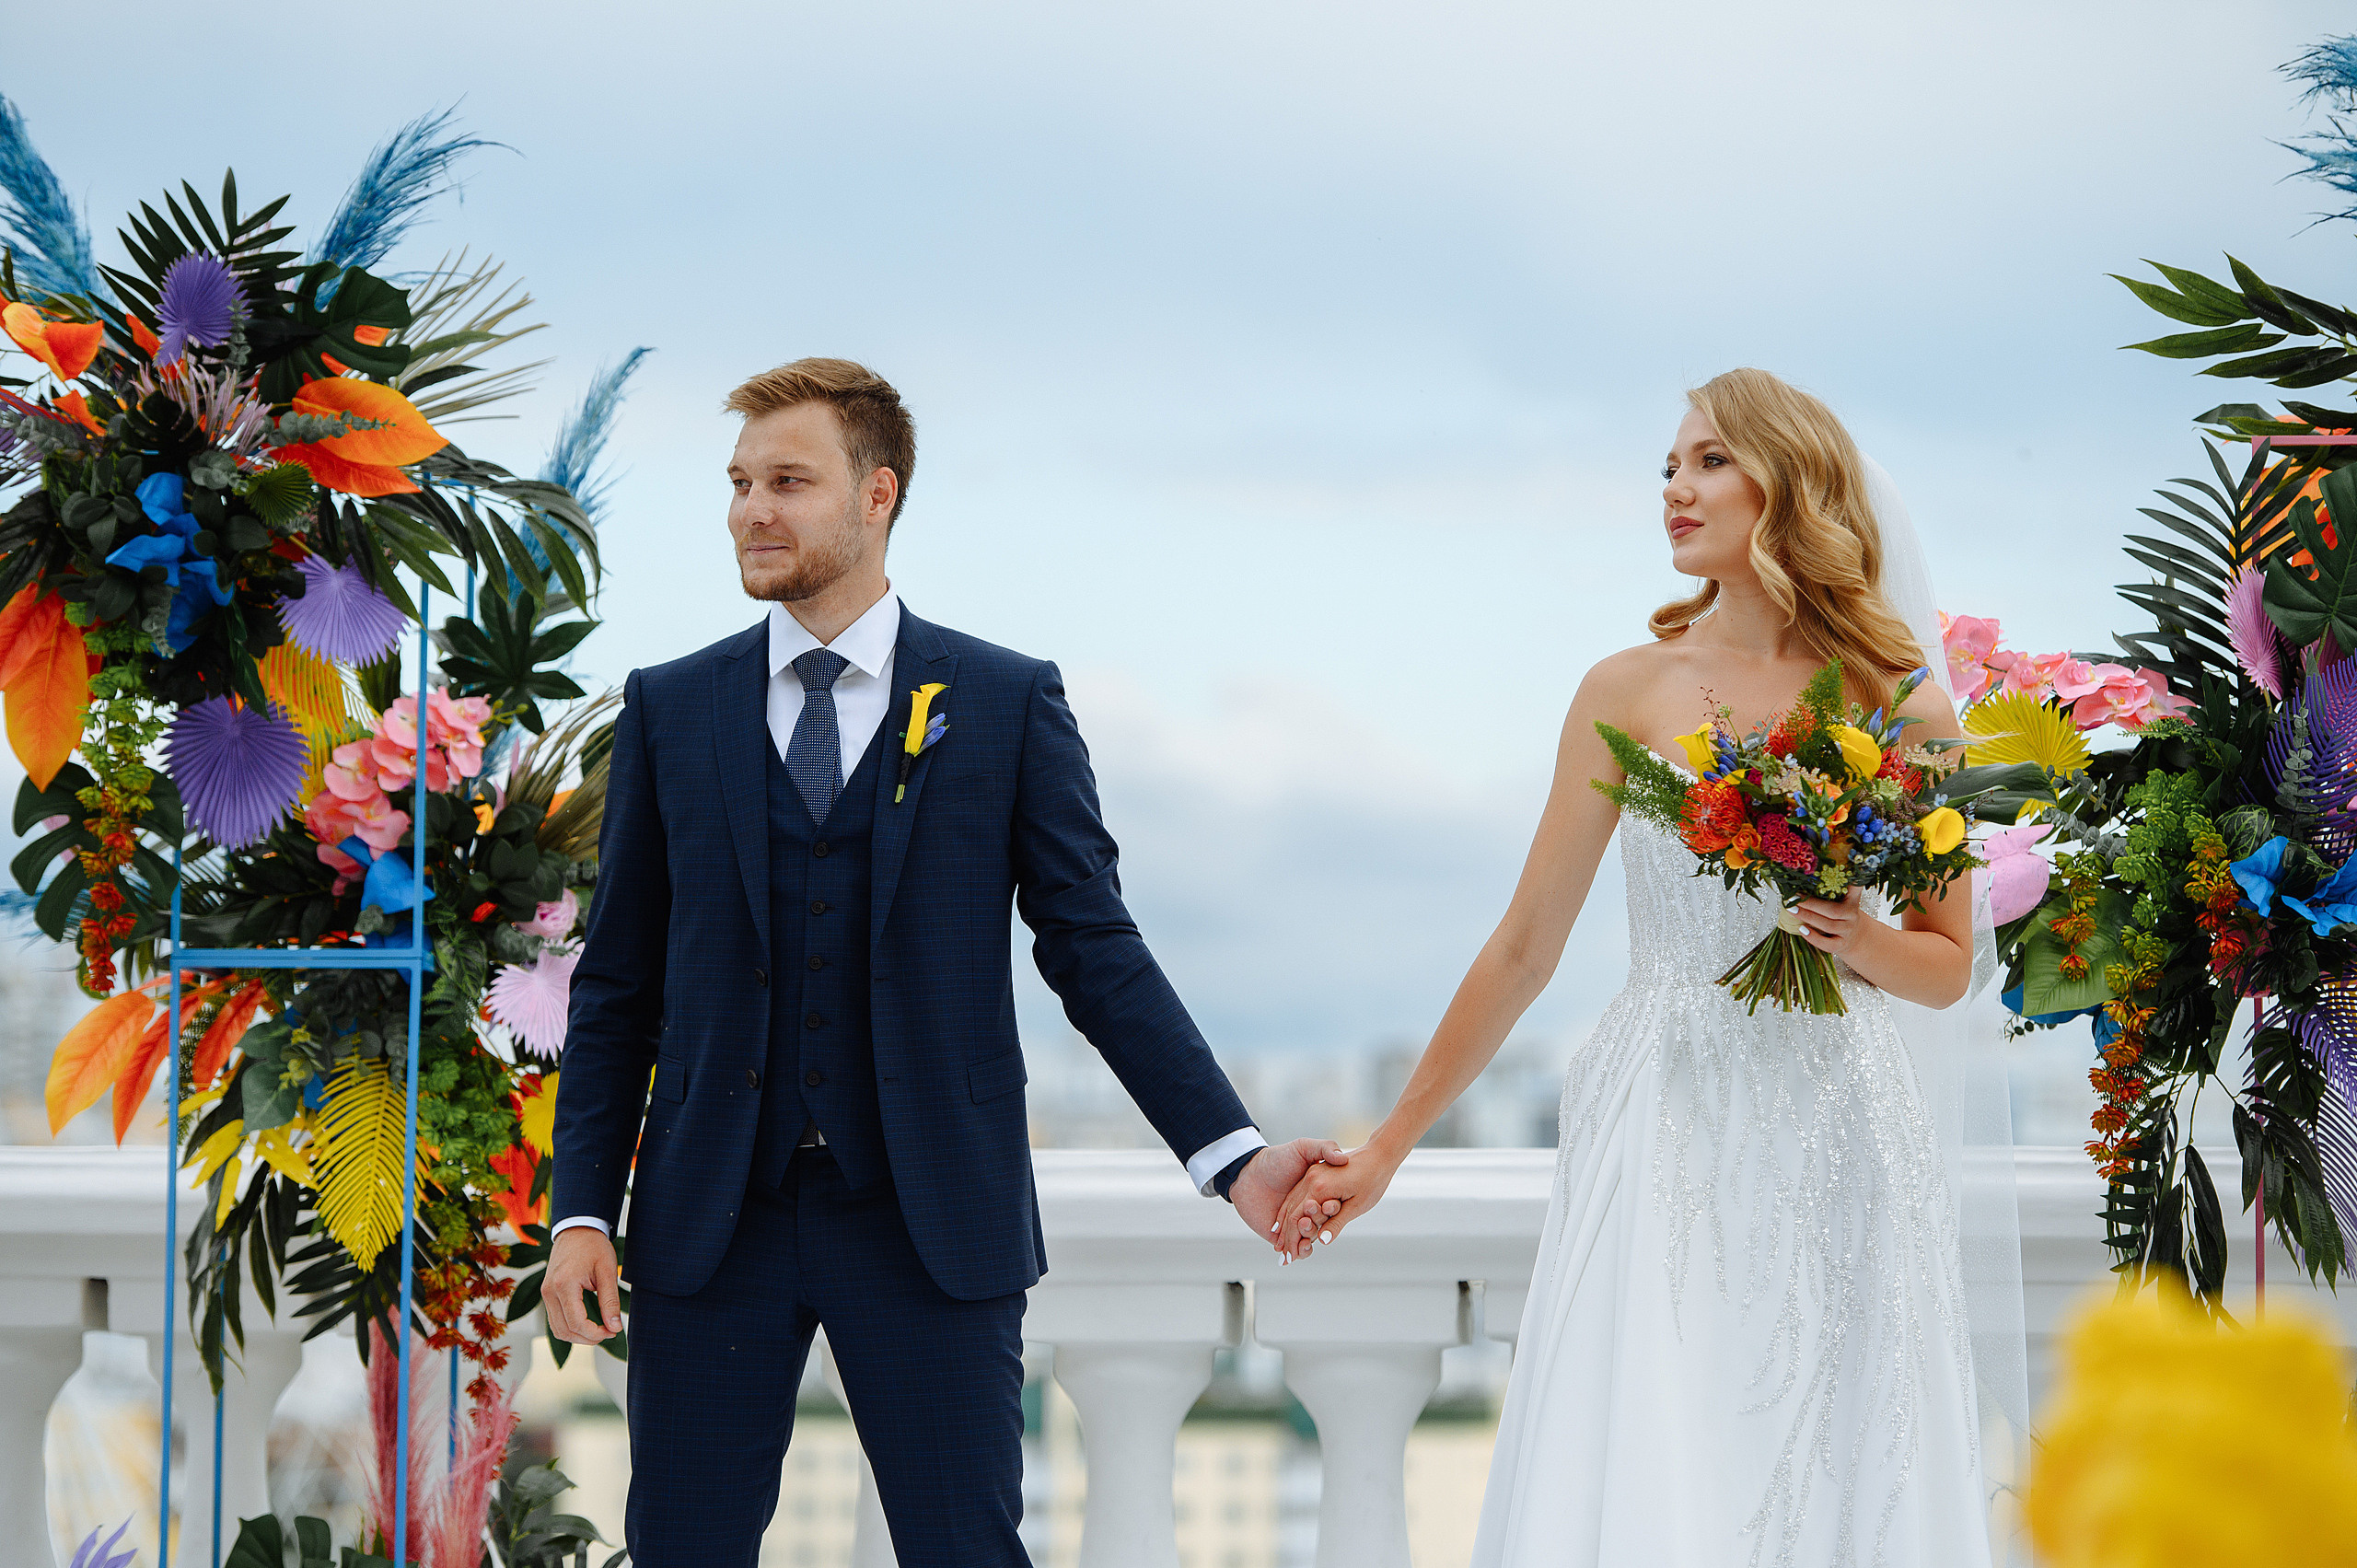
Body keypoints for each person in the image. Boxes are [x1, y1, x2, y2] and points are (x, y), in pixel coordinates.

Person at [542, 357, 1339, 1566]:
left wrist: (1230, 1152)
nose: (751, 509)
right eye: (740, 482)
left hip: (929, 1220)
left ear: (878, 496)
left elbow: (1092, 945)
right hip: (712, 1220)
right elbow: (616, 987)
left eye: (789, 481)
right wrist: (584, 1210)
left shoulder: (1006, 702)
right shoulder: (669, 708)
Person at [1275, 367, 2000, 1566]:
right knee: (1658, 1443)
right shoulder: (1626, 690)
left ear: (1790, 480)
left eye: (1710, 460)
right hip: (1662, 1111)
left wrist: (1853, 935)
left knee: (1840, 1450)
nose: (1676, 487)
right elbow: (1525, 947)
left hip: (1841, 1119)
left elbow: (1945, 967)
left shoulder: (1902, 705)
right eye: (1669, 465)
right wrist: (1391, 1143)